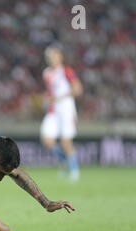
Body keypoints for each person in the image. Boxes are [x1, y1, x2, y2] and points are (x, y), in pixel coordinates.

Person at [40, 45, 83, 182]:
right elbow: (50, 92)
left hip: (66, 110)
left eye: (53, 56)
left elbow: (77, 89)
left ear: (60, 56)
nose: (51, 59)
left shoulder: (66, 71)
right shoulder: (46, 73)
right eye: (49, 56)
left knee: (65, 141)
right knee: (47, 141)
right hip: (53, 111)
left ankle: (74, 171)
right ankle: (66, 162)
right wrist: (45, 98)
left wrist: (59, 97)